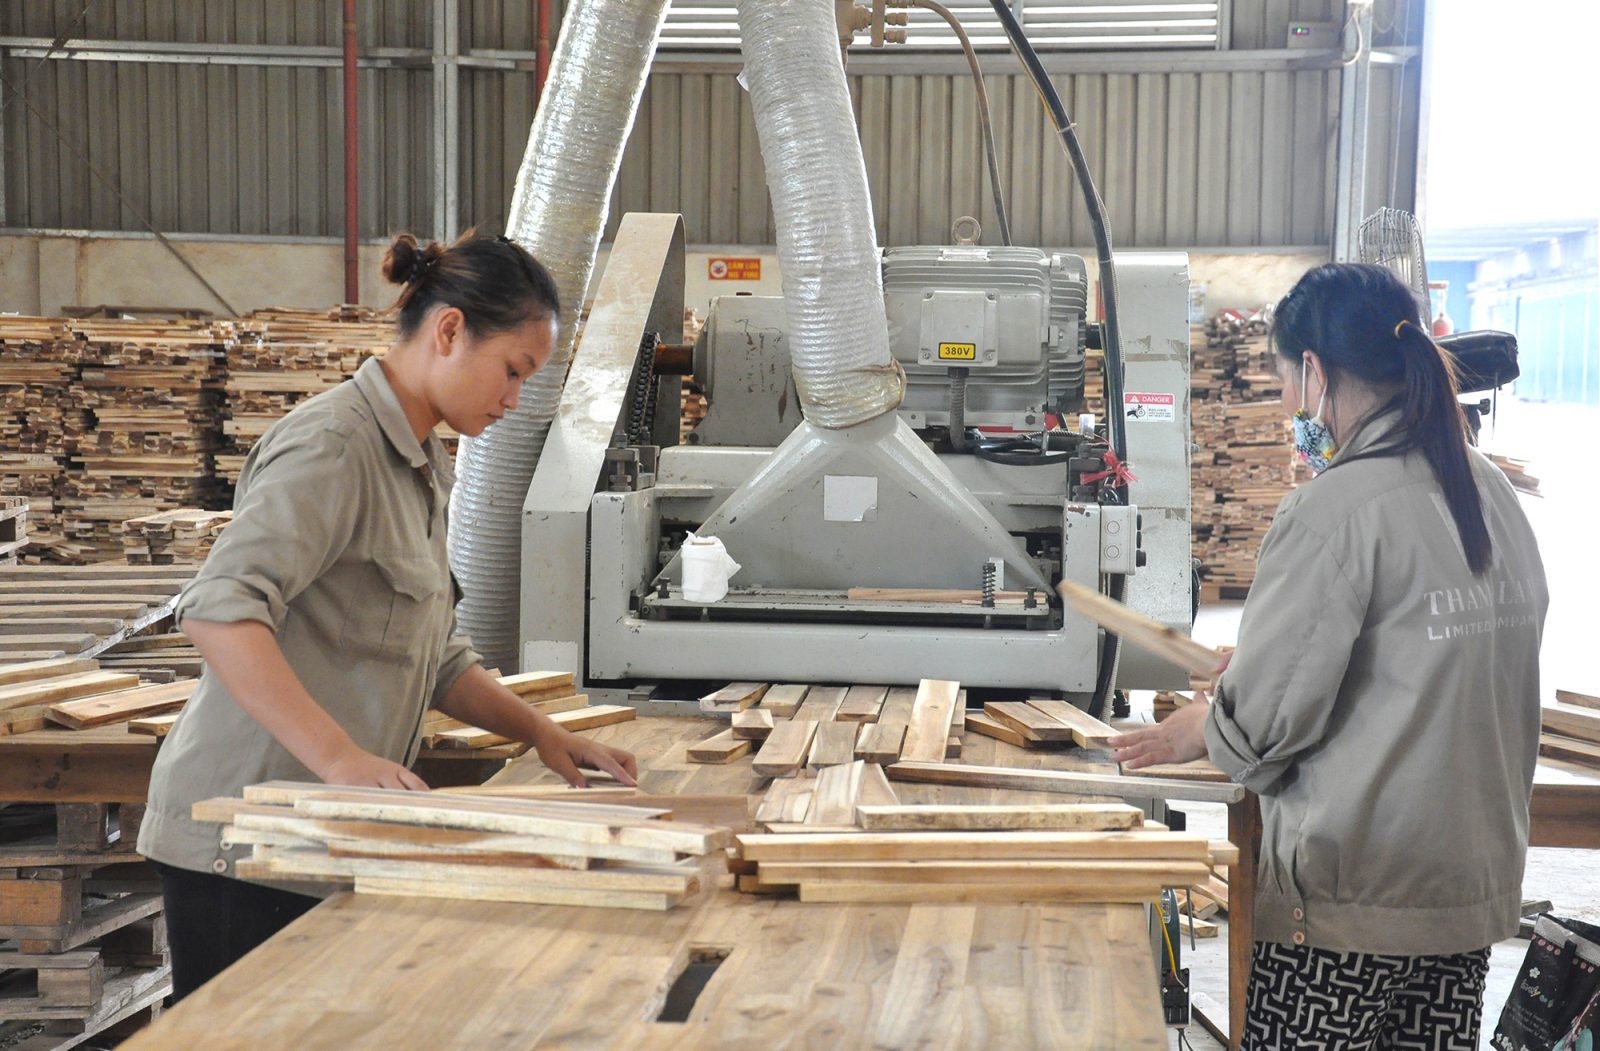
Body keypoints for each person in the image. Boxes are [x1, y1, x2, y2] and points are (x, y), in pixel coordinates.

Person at [138, 230, 638, 1002]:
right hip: (243, 839)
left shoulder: (418, 461)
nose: (513, 399)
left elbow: (436, 656)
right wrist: (340, 758)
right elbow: (219, 611)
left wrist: (541, 732)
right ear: (450, 330)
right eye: (512, 371)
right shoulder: (337, 446)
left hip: (321, 835)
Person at [1110, 263, 1547, 1050]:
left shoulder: (1333, 511)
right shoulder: (1491, 492)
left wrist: (1207, 723)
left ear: (1315, 370)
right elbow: (1416, 656)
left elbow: (1265, 724)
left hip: (1354, 900)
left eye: (1285, 380)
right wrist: (1266, 663)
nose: (1286, 405)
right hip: (1466, 895)